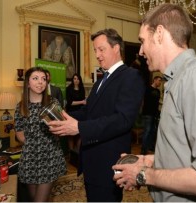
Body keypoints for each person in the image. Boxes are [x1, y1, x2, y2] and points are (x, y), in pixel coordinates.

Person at [112, 3, 196, 202]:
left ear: (160, 34)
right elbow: (183, 152)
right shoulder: (177, 79)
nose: (140, 51)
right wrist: (149, 160)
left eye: (142, 41)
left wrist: (144, 175)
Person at [47, 28, 145, 201]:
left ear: (116, 48)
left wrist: (79, 127)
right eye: (95, 50)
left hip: (108, 162)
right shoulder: (101, 80)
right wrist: (63, 116)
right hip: (91, 160)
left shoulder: (131, 76)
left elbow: (123, 119)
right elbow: (88, 110)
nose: (97, 55)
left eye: (101, 49)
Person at [14, 67, 66, 202]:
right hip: (30, 158)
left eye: (43, 79)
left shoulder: (52, 103)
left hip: (50, 157)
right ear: (28, 83)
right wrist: (32, 145)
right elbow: (19, 133)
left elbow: (62, 127)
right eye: (35, 78)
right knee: (35, 199)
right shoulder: (20, 106)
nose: (40, 82)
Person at [140, 75, 162, 154]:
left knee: (153, 131)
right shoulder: (147, 89)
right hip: (147, 114)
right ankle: (143, 150)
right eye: (159, 80)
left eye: (160, 81)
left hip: (155, 114)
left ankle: (150, 147)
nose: (160, 82)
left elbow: (156, 102)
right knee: (147, 131)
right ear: (154, 80)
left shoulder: (158, 91)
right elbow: (142, 100)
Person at [66, 73, 86, 152]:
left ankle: (77, 152)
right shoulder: (69, 89)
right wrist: (81, 102)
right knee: (70, 134)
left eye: (77, 79)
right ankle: (71, 152)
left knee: (79, 134)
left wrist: (83, 103)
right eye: (74, 78)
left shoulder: (82, 89)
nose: (76, 80)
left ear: (80, 80)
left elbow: (84, 101)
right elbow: (70, 103)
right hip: (71, 113)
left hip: (80, 113)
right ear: (72, 80)